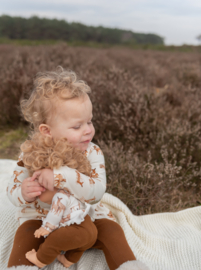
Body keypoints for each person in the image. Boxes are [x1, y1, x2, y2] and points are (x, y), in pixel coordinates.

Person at [7, 68, 149, 270]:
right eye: (77, 126)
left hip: (85, 217)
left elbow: (97, 192)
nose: (88, 130)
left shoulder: (92, 152)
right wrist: (23, 192)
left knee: (112, 231)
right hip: (41, 219)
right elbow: (11, 189)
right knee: (25, 234)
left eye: (89, 121)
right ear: (46, 131)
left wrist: (59, 176)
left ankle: (129, 266)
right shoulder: (29, 155)